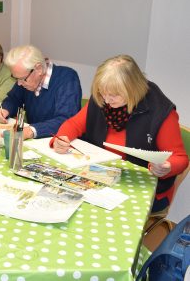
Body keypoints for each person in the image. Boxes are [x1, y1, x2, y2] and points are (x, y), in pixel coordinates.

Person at [52, 55, 188, 213]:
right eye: (102, 93)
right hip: (102, 176)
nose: (107, 101)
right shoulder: (103, 98)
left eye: (114, 95)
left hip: (143, 187)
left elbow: (180, 158)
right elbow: (73, 124)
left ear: (133, 89)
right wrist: (62, 138)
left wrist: (167, 167)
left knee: (92, 210)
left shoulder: (160, 111)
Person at [0, 45, 82, 139]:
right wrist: (5, 109)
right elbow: (13, 99)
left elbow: (66, 120)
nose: (19, 84)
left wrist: (32, 130)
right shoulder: (25, 78)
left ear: (39, 69)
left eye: (22, 79)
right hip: (37, 141)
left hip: (63, 143)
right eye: (16, 78)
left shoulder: (67, 78)